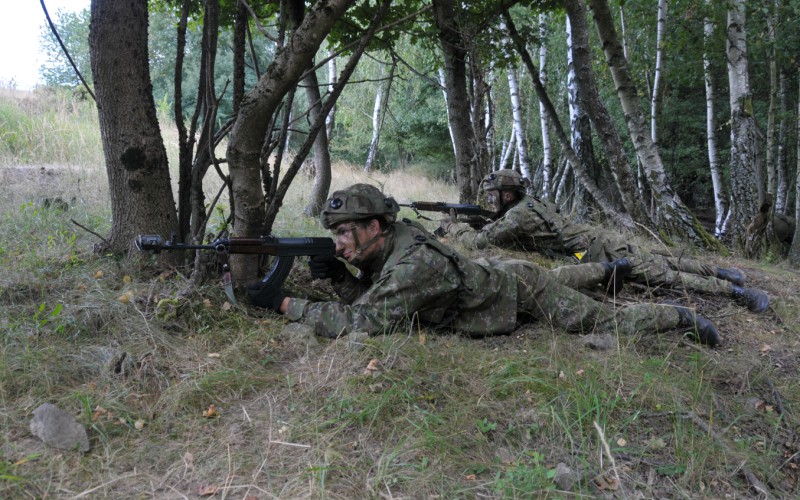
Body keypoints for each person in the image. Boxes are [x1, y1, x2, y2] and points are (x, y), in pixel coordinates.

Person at [247, 183, 721, 347]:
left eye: (347, 232)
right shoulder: (394, 242)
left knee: (605, 322)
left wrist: (289, 303)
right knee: (566, 274)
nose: (340, 242)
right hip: (501, 274)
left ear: (375, 226)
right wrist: (343, 277)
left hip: (516, 292)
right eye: (336, 235)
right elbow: (379, 298)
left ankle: (683, 318)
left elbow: (368, 322)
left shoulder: (413, 263)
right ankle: (604, 273)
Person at [439, 169, 770, 314]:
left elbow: (482, 243)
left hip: (593, 250)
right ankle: (725, 273)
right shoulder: (530, 204)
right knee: (663, 262)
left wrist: (454, 228)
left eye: (494, 196)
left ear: (507, 194)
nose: (492, 201)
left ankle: (737, 293)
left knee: (662, 275)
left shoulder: (518, 215)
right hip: (595, 241)